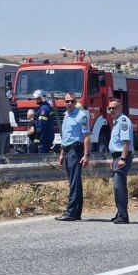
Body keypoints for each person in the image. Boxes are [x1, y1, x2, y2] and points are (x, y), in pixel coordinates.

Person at [55, 91, 90, 221]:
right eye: (67, 101)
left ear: (76, 102)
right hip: (68, 150)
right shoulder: (66, 116)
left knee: (74, 182)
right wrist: (62, 153)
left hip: (76, 150)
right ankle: (76, 213)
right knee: (74, 182)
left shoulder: (81, 116)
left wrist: (86, 155)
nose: (69, 103)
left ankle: (71, 212)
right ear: (64, 102)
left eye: (72, 101)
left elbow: (86, 137)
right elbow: (66, 137)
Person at [107, 98, 133, 224]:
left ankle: (123, 216)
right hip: (117, 156)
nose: (112, 110)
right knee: (116, 187)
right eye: (110, 108)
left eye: (114, 108)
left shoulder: (123, 121)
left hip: (122, 157)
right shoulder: (116, 122)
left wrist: (122, 158)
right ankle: (119, 212)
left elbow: (126, 142)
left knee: (119, 186)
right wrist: (114, 158)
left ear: (120, 108)